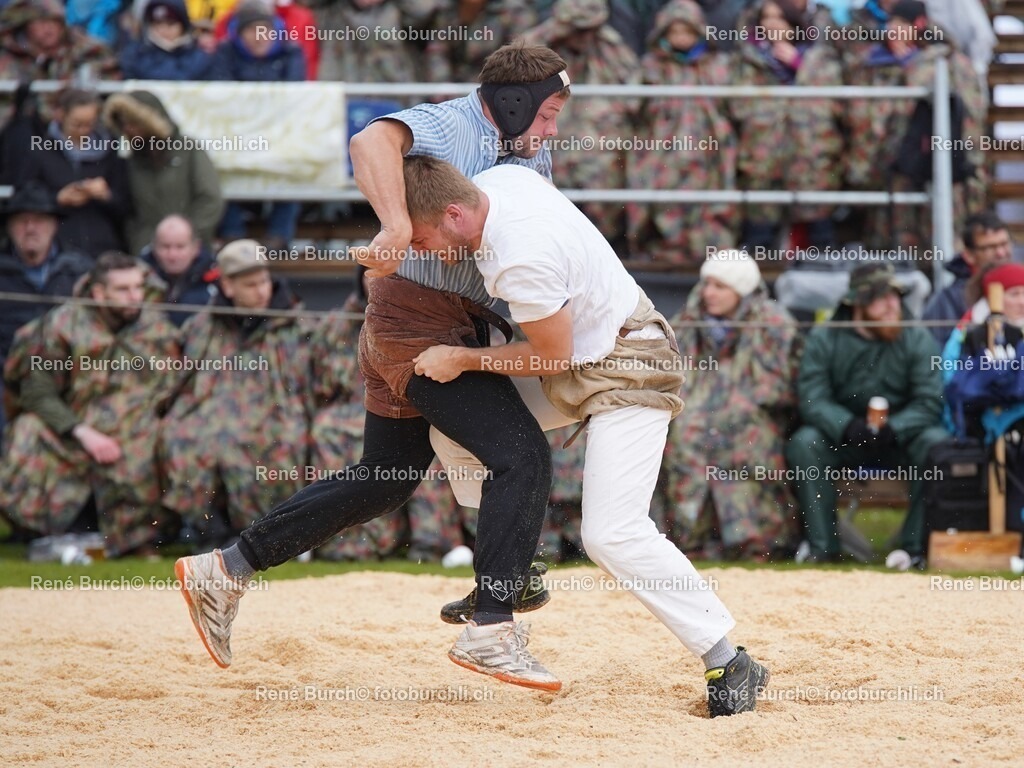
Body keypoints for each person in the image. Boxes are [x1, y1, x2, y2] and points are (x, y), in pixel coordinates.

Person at [172, 43, 571, 689]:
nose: (553, 129)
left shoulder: (527, 149)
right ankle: (494, 628)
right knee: (520, 455)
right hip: (418, 323)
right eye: (548, 113)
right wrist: (391, 225)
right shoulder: (455, 122)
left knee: (384, 479)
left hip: (425, 320)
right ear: (517, 101)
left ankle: (226, 569)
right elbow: (368, 142)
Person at [409, 157, 770, 717]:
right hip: (580, 361)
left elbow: (549, 352)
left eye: (425, 237)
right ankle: (516, 570)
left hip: (631, 364)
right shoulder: (501, 181)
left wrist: (461, 358)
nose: (425, 250)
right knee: (456, 430)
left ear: (455, 213)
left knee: (611, 533)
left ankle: (727, 658)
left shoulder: (518, 258)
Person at [0, 252, 180, 556]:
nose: (135, 296)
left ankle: (142, 539)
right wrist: (80, 431)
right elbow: (36, 392)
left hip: (139, 429)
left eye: (138, 287)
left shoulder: (157, 328)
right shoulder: (61, 325)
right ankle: (40, 531)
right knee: (27, 430)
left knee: (173, 437)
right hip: (76, 428)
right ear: (99, 292)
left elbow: (176, 386)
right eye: (123, 290)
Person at [157, 240, 321, 548]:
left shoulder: (298, 325)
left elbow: (314, 385)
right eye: (250, 285)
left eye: (264, 282)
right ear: (228, 286)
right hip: (211, 416)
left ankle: (270, 536)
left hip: (278, 415)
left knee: (272, 443)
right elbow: (179, 381)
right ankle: (210, 533)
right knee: (182, 438)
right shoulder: (202, 327)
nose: (261, 291)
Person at [786, 262, 949, 568]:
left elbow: (930, 400)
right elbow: (812, 399)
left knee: (935, 442)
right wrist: (846, 426)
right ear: (857, 303)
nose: (892, 305)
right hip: (844, 439)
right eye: (881, 297)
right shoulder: (825, 339)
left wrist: (896, 428)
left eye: (896, 296)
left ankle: (914, 550)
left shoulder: (916, 338)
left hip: (899, 440)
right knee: (805, 442)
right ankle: (824, 548)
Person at [662, 250, 800, 561]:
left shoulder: (773, 323)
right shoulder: (686, 323)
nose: (709, 293)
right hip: (694, 411)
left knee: (748, 440)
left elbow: (781, 386)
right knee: (686, 438)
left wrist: (741, 405)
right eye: (707, 284)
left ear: (740, 290)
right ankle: (690, 538)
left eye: (719, 286)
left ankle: (757, 541)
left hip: (754, 415)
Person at [626, 0, 738, 264]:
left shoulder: (718, 64)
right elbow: (631, 103)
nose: (680, 39)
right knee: (665, 200)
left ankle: (707, 252)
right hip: (663, 147)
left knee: (708, 201)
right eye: (674, 32)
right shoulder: (652, 65)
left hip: (708, 147)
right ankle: (667, 250)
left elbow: (734, 103)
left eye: (687, 32)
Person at [522, 0, 641, 249]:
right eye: (576, 28)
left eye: (588, 29)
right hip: (552, 140)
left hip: (596, 143)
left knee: (601, 206)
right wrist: (553, 33)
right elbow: (515, 61)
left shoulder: (610, 47)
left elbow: (634, 92)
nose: (581, 36)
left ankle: (601, 249)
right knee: (549, 202)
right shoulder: (542, 44)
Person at [209, 0, 305, 248]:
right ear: (239, 34)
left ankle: (279, 234)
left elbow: (294, 96)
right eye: (251, 30)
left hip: (280, 133)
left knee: (295, 161)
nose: (259, 37)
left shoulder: (291, 53)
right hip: (235, 132)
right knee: (216, 162)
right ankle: (232, 231)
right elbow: (221, 96)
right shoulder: (224, 54)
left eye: (265, 29)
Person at [0, 183, 92, 439]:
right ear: (9, 227)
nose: (31, 229)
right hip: (7, 372)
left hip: (69, 370)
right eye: (22, 221)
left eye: (39, 220)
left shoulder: (80, 270)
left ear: (54, 225)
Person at [102, 89, 225, 255]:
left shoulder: (188, 150)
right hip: (147, 253)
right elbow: (131, 213)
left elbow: (210, 199)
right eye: (123, 124)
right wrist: (141, 242)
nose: (129, 129)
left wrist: (184, 238)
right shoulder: (130, 161)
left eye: (134, 122)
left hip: (193, 252)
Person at [23, 88, 131, 258]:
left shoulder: (111, 152)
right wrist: (58, 199)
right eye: (77, 124)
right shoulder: (40, 151)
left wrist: (106, 195)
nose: (83, 130)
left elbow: (127, 205)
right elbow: (24, 197)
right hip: (57, 247)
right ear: (60, 116)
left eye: (90, 124)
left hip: (104, 246)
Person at [922, 211, 1014, 346]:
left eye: (1004, 244)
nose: (1001, 253)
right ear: (969, 255)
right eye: (990, 247)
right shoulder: (947, 302)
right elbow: (940, 357)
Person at [139, 214, 217, 326]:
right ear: (154, 247)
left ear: (196, 247)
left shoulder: (215, 278)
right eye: (165, 246)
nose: (172, 255)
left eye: (180, 247)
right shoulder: (138, 277)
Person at [120, 0, 216, 81]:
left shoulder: (199, 56)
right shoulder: (135, 55)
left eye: (171, 24)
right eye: (158, 23)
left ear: (183, 25)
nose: (164, 30)